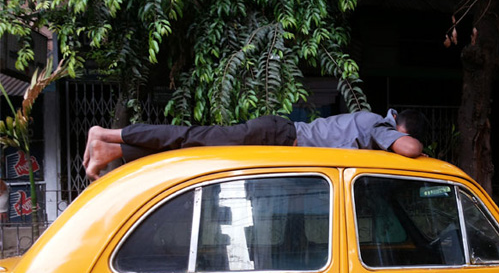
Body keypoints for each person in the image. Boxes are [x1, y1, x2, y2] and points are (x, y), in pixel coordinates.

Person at [84, 109, 427, 180]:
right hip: (277, 136)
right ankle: (108, 133)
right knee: (192, 138)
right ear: (402, 129)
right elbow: (409, 150)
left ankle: (112, 150)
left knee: (190, 152)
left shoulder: (371, 124)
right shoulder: (381, 127)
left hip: (277, 136)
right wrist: (420, 149)